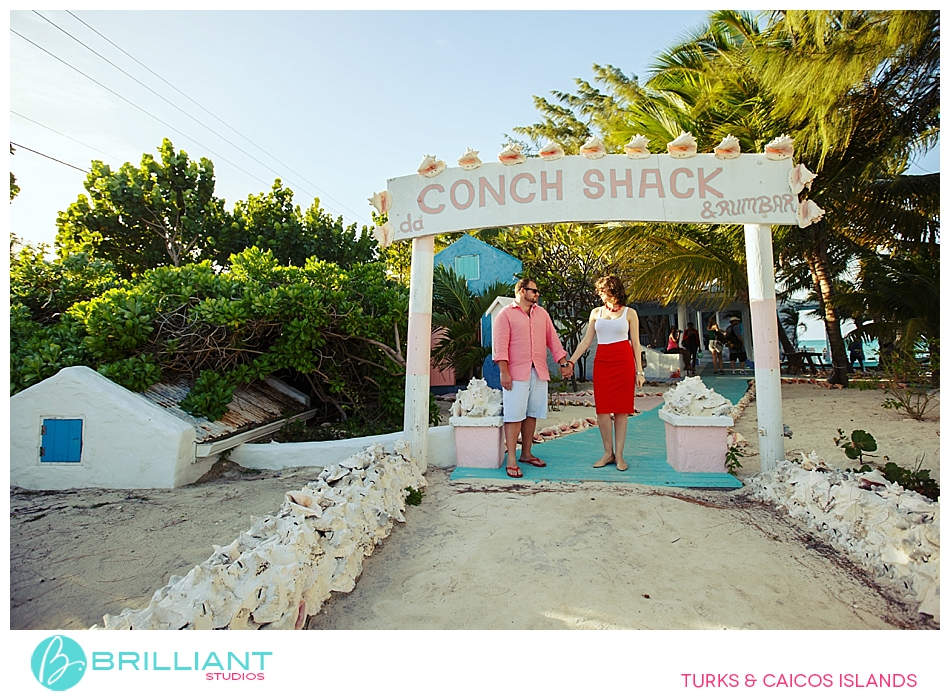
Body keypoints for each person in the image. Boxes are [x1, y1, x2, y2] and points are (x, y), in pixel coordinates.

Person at [562, 275, 643, 471]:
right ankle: (608, 453)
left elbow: (636, 343)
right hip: (603, 362)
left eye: (602, 290)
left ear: (613, 290)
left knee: (622, 410)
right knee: (603, 410)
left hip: (623, 362)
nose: (599, 294)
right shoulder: (596, 313)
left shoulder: (630, 313)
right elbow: (586, 341)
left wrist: (639, 371)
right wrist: (571, 361)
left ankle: (620, 456)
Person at [492, 278, 570, 479]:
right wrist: (504, 372)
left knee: (531, 413)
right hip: (516, 373)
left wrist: (563, 364)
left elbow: (553, 340)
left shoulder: (541, 314)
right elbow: (500, 346)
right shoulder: (505, 314)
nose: (537, 294)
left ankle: (526, 454)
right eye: (533, 291)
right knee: (513, 415)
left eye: (537, 291)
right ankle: (511, 459)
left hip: (539, 371)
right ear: (521, 291)